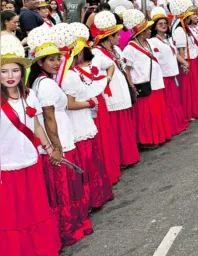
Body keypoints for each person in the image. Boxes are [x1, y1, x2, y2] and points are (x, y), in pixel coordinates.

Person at [26, 25, 93, 246]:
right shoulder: (45, 85)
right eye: (51, 59)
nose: (56, 63)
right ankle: (67, 227)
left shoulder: (42, 82)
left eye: (57, 58)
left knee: (63, 188)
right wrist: (56, 147)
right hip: (59, 141)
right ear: (39, 63)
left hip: (62, 137)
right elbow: (49, 118)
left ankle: (70, 224)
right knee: (62, 189)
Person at [0, 34, 62, 256]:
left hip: (30, 162)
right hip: (5, 170)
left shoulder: (29, 95)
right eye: (4, 71)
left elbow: (36, 125)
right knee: (10, 218)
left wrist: (51, 148)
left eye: (15, 70)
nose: (10, 76)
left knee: (34, 211)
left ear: (22, 71)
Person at [58, 23, 114, 210]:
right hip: (79, 122)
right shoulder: (70, 76)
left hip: (81, 121)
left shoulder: (69, 73)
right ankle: (91, 199)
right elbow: (70, 103)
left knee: (89, 161)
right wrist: (90, 103)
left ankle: (92, 199)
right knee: (87, 161)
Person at [93, 10, 140, 183]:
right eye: (116, 35)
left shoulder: (116, 49)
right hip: (111, 97)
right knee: (116, 130)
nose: (120, 37)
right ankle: (120, 159)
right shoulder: (97, 53)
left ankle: (127, 157)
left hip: (122, 93)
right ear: (108, 37)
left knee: (124, 127)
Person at [122, 9, 173, 146]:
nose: (150, 31)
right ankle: (148, 140)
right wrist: (132, 85)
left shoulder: (148, 43)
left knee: (157, 113)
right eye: (147, 29)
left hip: (156, 82)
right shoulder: (130, 48)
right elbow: (126, 69)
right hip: (143, 85)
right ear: (140, 32)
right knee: (147, 115)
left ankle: (160, 135)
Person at [148, 7, 190, 136]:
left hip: (172, 75)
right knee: (169, 103)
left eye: (165, 23)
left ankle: (178, 122)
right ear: (155, 27)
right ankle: (172, 126)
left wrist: (183, 62)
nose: (163, 25)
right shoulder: (153, 42)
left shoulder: (167, 39)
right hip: (164, 76)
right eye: (160, 23)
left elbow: (175, 53)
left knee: (174, 101)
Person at [170, 0, 198, 120]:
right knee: (187, 88)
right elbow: (181, 50)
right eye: (190, 14)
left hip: (190, 59)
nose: (193, 16)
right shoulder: (179, 30)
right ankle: (189, 112)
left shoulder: (184, 28)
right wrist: (184, 64)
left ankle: (192, 110)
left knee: (191, 87)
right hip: (187, 61)